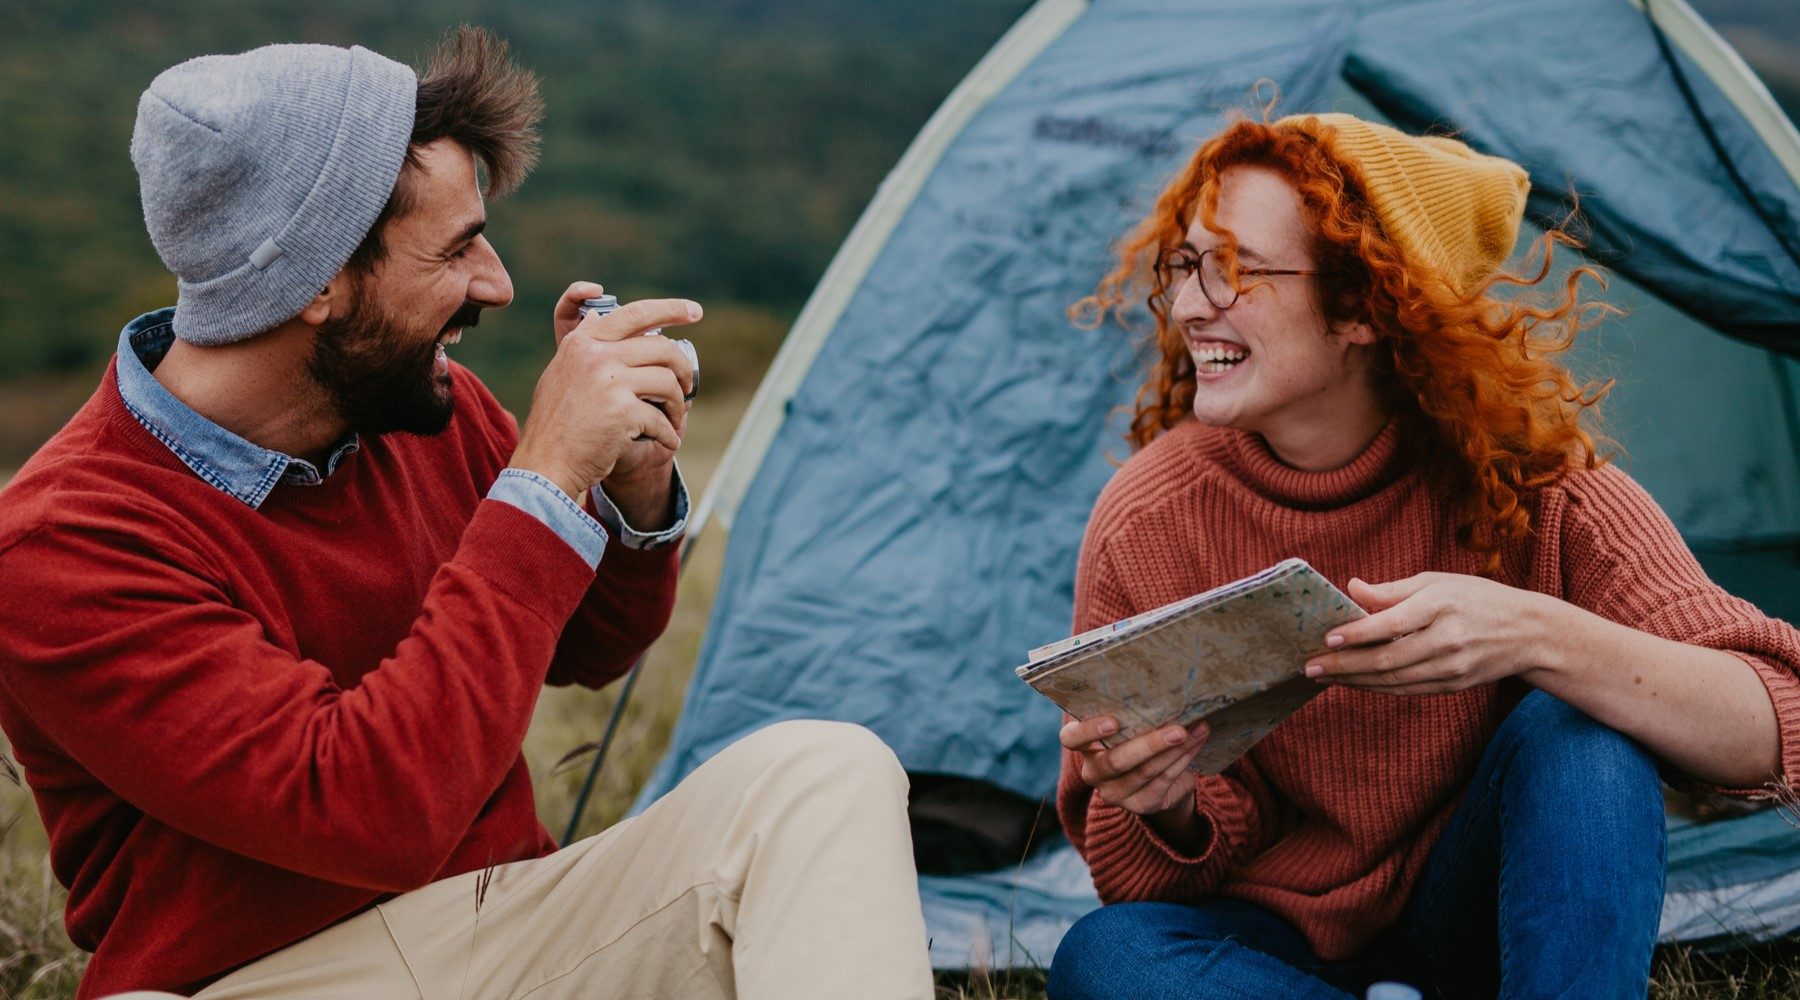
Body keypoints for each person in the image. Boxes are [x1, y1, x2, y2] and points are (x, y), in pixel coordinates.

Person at [0, 28, 933, 1000]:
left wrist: (630, 482)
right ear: (312, 281)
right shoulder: (58, 543)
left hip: (508, 922)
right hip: (267, 977)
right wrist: (543, 473)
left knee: (824, 772)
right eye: (456, 248)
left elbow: (591, 644)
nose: (497, 284)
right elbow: (368, 808)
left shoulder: (421, 405)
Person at [1046, 112, 1800, 999]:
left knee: (1582, 725)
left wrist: (1535, 634)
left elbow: (1779, 723)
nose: (1189, 303)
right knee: (1107, 955)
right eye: (1185, 264)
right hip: (1273, 941)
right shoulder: (1150, 518)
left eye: (1236, 269)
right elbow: (1145, 884)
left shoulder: (1540, 488)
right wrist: (1162, 804)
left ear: (1366, 303)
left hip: (1484, 919)